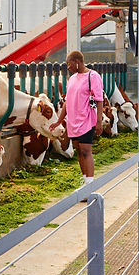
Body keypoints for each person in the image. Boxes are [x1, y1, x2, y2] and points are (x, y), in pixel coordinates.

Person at [53, 50, 104, 185]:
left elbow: (99, 100)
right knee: (79, 151)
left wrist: (99, 122)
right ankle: (85, 180)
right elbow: (66, 102)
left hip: (87, 120)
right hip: (73, 122)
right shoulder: (72, 79)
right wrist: (59, 121)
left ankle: (90, 185)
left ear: (77, 62)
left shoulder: (92, 76)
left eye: (69, 64)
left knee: (86, 151)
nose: (68, 67)